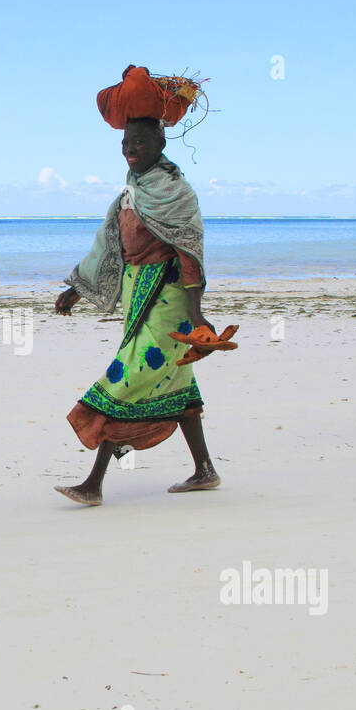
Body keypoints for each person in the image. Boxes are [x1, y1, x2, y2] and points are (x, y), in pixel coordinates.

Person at [53, 66, 235, 505]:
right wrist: (79, 288)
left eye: (138, 143)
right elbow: (111, 245)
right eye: (125, 144)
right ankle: (205, 470)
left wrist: (197, 313)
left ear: (160, 143)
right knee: (175, 384)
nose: (130, 150)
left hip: (168, 300)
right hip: (138, 294)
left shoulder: (175, 191)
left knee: (127, 379)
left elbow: (190, 251)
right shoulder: (131, 191)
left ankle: (93, 484)